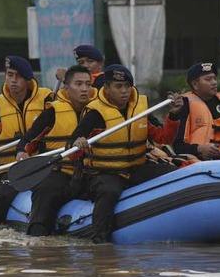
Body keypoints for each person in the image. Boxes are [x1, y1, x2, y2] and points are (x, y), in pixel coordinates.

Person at [69, 64, 184, 243]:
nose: (124, 91)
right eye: (118, 87)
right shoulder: (95, 113)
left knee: (171, 173)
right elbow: (74, 144)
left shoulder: (141, 109)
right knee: (109, 191)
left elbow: (164, 138)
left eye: (127, 86)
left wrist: (174, 115)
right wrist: (78, 143)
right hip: (104, 172)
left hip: (136, 168)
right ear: (106, 88)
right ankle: (99, 241)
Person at [14, 65, 97, 236]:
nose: (84, 89)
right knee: (45, 191)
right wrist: (22, 151)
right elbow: (28, 140)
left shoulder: (100, 111)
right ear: (66, 87)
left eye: (88, 84)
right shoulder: (53, 112)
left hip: (91, 173)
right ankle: (38, 236)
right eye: (79, 84)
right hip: (60, 173)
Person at [0, 56, 53, 225]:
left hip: (43, 165)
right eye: (10, 75)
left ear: (28, 78)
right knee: (3, 197)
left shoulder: (47, 99)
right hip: (12, 171)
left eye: (18, 76)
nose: (13, 80)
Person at [172, 62, 220, 160]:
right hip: (201, 162)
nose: (214, 82)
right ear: (195, 85)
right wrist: (199, 149)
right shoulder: (184, 105)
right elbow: (177, 146)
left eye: (215, 78)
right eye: (208, 79)